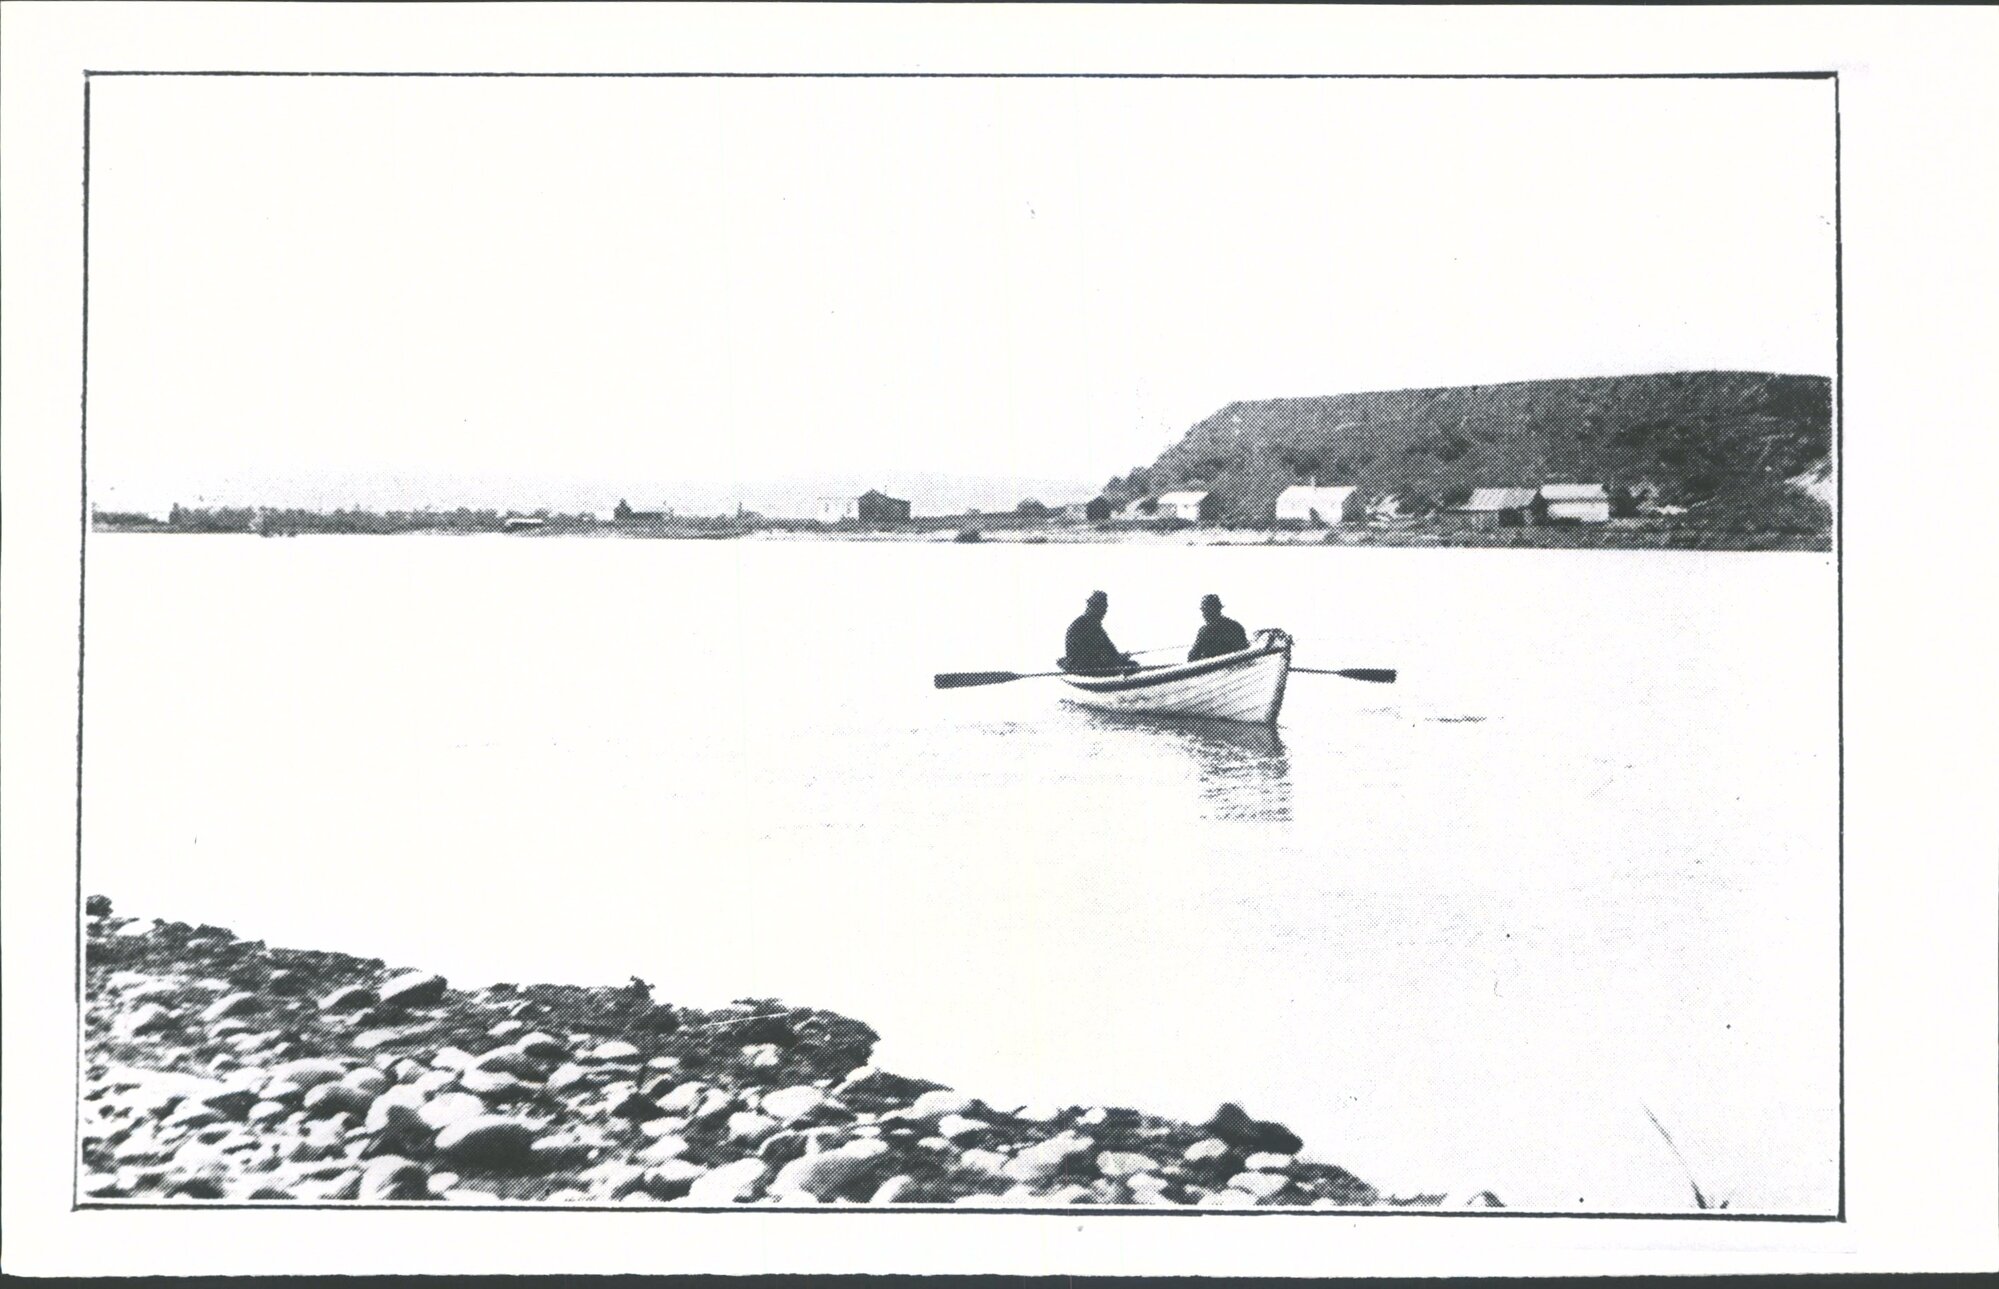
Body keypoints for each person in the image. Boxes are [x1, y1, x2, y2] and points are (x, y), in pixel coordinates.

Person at [1061, 590, 1137, 675]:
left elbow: (1108, 648)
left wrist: (1118, 656)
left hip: (1090, 663)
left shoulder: (1093, 625)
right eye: (1103, 608)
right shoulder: (1084, 625)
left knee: (1131, 664)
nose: (1104, 612)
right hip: (1084, 667)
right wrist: (1117, 659)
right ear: (1094, 607)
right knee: (1130, 666)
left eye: (1105, 608)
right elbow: (1095, 652)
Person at [1188, 594, 1251, 661]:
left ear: (1218, 609)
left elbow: (1244, 655)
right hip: (1212, 666)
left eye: (1209, 610)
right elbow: (1192, 657)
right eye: (1204, 610)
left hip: (1232, 665)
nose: (1205, 614)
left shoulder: (1233, 628)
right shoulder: (1203, 632)